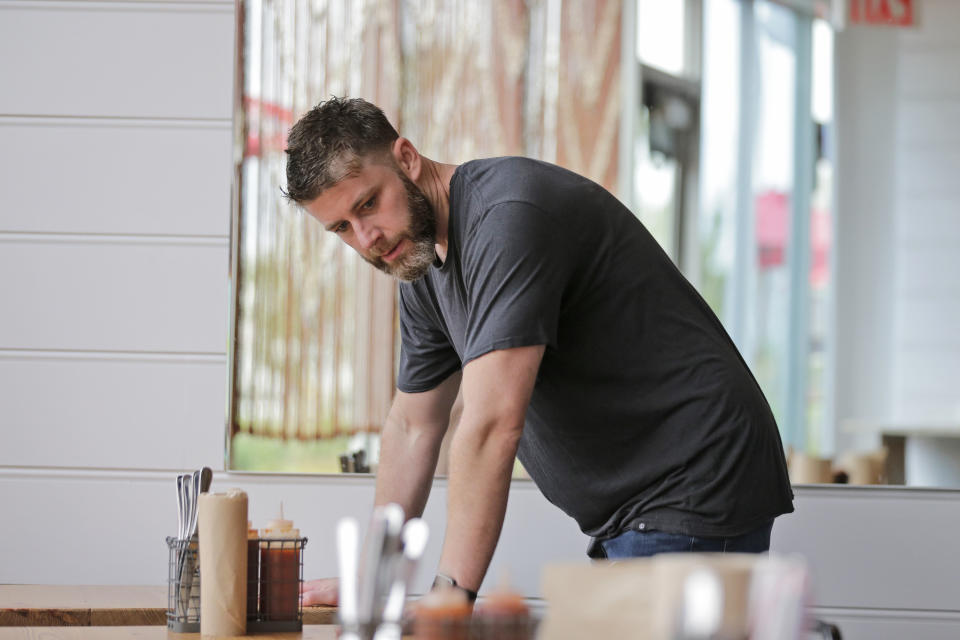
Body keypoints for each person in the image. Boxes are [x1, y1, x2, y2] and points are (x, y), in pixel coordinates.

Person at [283, 97, 794, 605]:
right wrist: (374, 582)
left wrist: (450, 597)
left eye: (369, 203)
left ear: (408, 158)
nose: (367, 237)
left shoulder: (506, 219)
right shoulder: (417, 264)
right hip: (638, 503)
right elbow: (413, 426)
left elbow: (490, 425)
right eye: (342, 228)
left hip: (694, 477)